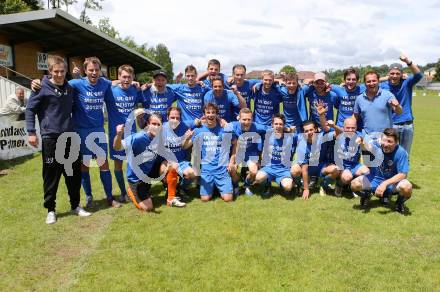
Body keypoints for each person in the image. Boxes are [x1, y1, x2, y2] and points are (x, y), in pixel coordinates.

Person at [25, 55, 91, 224]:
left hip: (70, 136)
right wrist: (31, 132)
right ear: (50, 71)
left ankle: (75, 206)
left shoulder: (69, 88)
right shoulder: (40, 87)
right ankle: (51, 210)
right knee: (51, 175)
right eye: (56, 71)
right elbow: (30, 110)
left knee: (73, 174)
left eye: (62, 71)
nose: (60, 74)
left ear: (66, 71)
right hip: (50, 138)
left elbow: (89, 84)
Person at [69, 57, 121, 208]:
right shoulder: (76, 83)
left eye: (96, 70)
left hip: (98, 130)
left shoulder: (104, 83)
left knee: (103, 163)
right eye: (91, 70)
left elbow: (113, 87)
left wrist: (133, 83)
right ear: (85, 71)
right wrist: (39, 82)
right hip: (81, 131)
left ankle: (110, 198)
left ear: (100, 71)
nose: (94, 73)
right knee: (84, 165)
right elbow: (56, 84)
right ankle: (89, 197)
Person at [351, 128, 412, 214]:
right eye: (384, 140)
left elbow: (403, 175)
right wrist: (361, 141)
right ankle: (367, 195)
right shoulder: (377, 145)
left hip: (391, 184)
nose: (386, 144)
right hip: (375, 179)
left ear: (396, 142)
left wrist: (385, 184)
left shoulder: (401, 152)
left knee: (407, 188)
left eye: (389, 141)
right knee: (354, 185)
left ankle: (398, 204)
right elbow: (366, 146)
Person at [113, 112, 165, 212]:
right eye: (154, 124)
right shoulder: (138, 138)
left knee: (168, 165)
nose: (156, 127)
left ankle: (171, 194)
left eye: (159, 125)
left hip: (148, 173)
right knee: (148, 208)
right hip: (136, 179)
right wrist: (118, 135)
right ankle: (131, 191)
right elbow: (117, 147)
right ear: (148, 124)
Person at [107, 65, 144, 202]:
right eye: (124, 77)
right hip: (115, 132)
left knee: (133, 162)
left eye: (129, 77)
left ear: (133, 77)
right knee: (118, 164)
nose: (126, 80)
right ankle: (123, 192)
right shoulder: (111, 90)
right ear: (119, 77)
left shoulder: (135, 90)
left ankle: (133, 190)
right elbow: (98, 84)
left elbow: (145, 93)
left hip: (132, 132)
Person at [316, 102, 370, 197]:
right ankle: (337, 185)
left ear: (356, 127)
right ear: (344, 127)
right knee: (347, 177)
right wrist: (323, 116)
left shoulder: (359, 134)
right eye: (347, 128)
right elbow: (326, 127)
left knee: (368, 172)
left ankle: (353, 186)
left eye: (353, 128)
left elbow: (366, 148)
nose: (350, 130)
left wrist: (362, 143)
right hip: (342, 166)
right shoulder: (339, 135)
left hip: (354, 165)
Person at [379, 54, 423, 156]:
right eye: (392, 73)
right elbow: (369, 81)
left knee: (404, 155)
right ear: (388, 74)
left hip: (407, 125)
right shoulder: (383, 86)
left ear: (402, 74)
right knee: (389, 155)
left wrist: (407, 61)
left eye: (397, 73)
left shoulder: (407, 82)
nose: (394, 76)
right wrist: (386, 78)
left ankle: (403, 172)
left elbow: (419, 75)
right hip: (391, 125)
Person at [189, 103, 233, 202]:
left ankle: (219, 187)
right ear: (204, 114)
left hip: (221, 170)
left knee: (228, 199)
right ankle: (211, 187)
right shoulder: (198, 130)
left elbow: (235, 143)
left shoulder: (224, 129)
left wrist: (231, 161)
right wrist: (186, 138)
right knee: (205, 199)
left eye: (213, 112)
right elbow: (186, 145)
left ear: (217, 114)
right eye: (208, 112)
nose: (210, 115)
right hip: (206, 171)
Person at [254, 113, 298, 197]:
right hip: (269, 167)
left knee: (288, 187)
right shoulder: (267, 133)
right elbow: (254, 125)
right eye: (276, 124)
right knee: (258, 178)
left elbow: (305, 138)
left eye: (281, 124)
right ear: (272, 125)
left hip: (283, 170)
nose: (278, 126)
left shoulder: (291, 137)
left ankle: (285, 185)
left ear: (284, 125)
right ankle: (267, 185)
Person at [226, 108, 267, 196]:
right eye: (244, 119)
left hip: (250, 153)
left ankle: (246, 185)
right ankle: (236, 186)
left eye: (249, 119)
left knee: (253, 171)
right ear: (239, 119)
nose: (247, 122)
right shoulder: (233, 125)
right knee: (231, 169)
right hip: (237, 152)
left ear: (252, 119)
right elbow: (220, 126)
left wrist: (287, 129)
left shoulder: (256, 126)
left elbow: (271, 128)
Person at [160, 107, 196, 207]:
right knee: (163, 171)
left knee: (191, 174)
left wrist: (187, 138)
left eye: (177, 118)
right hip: (166, 161)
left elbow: (184, 146)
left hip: (180, 161)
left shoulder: (185, 127)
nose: (175, 120)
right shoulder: (161, 129)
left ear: (180, 118)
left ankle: (180, 188)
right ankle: (168, 188)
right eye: (172, 117)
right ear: (167, 117)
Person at [353, 71, 402, 136]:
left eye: (374, 81)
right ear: (365, 83)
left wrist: (397, 106)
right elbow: (354, 116)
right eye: (368, 81)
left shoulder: (387, 95)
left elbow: (399, 112)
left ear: (378, 81)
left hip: (385, 137)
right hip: (367, 137)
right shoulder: (359, 99)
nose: (371, 83)